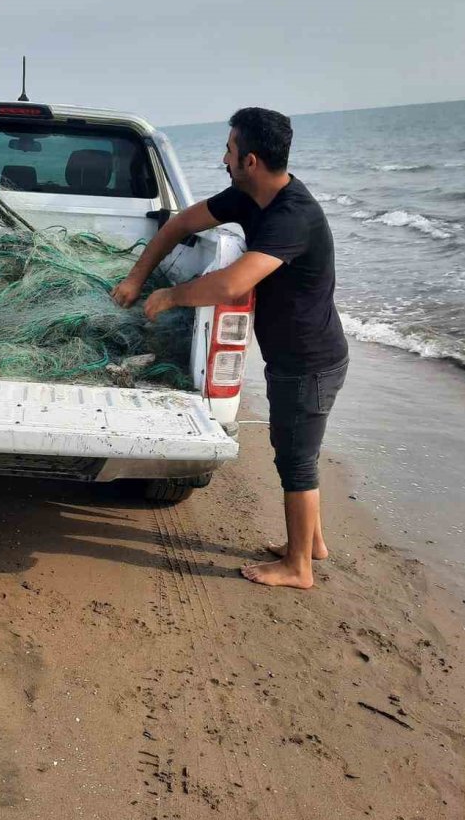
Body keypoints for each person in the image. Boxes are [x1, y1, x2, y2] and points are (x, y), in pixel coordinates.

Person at [113, 107, 348, 590]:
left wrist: (171, 294)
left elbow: (233, 283)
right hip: (293, 357)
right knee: (294, 448)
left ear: (252, 161)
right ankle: (312, 544)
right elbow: (179, 225)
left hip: (310, 362)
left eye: (230, 150)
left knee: (296, 460)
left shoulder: (292, 215)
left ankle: (298, 567)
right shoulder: (247, 197)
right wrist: (137, 277)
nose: (224, 158)